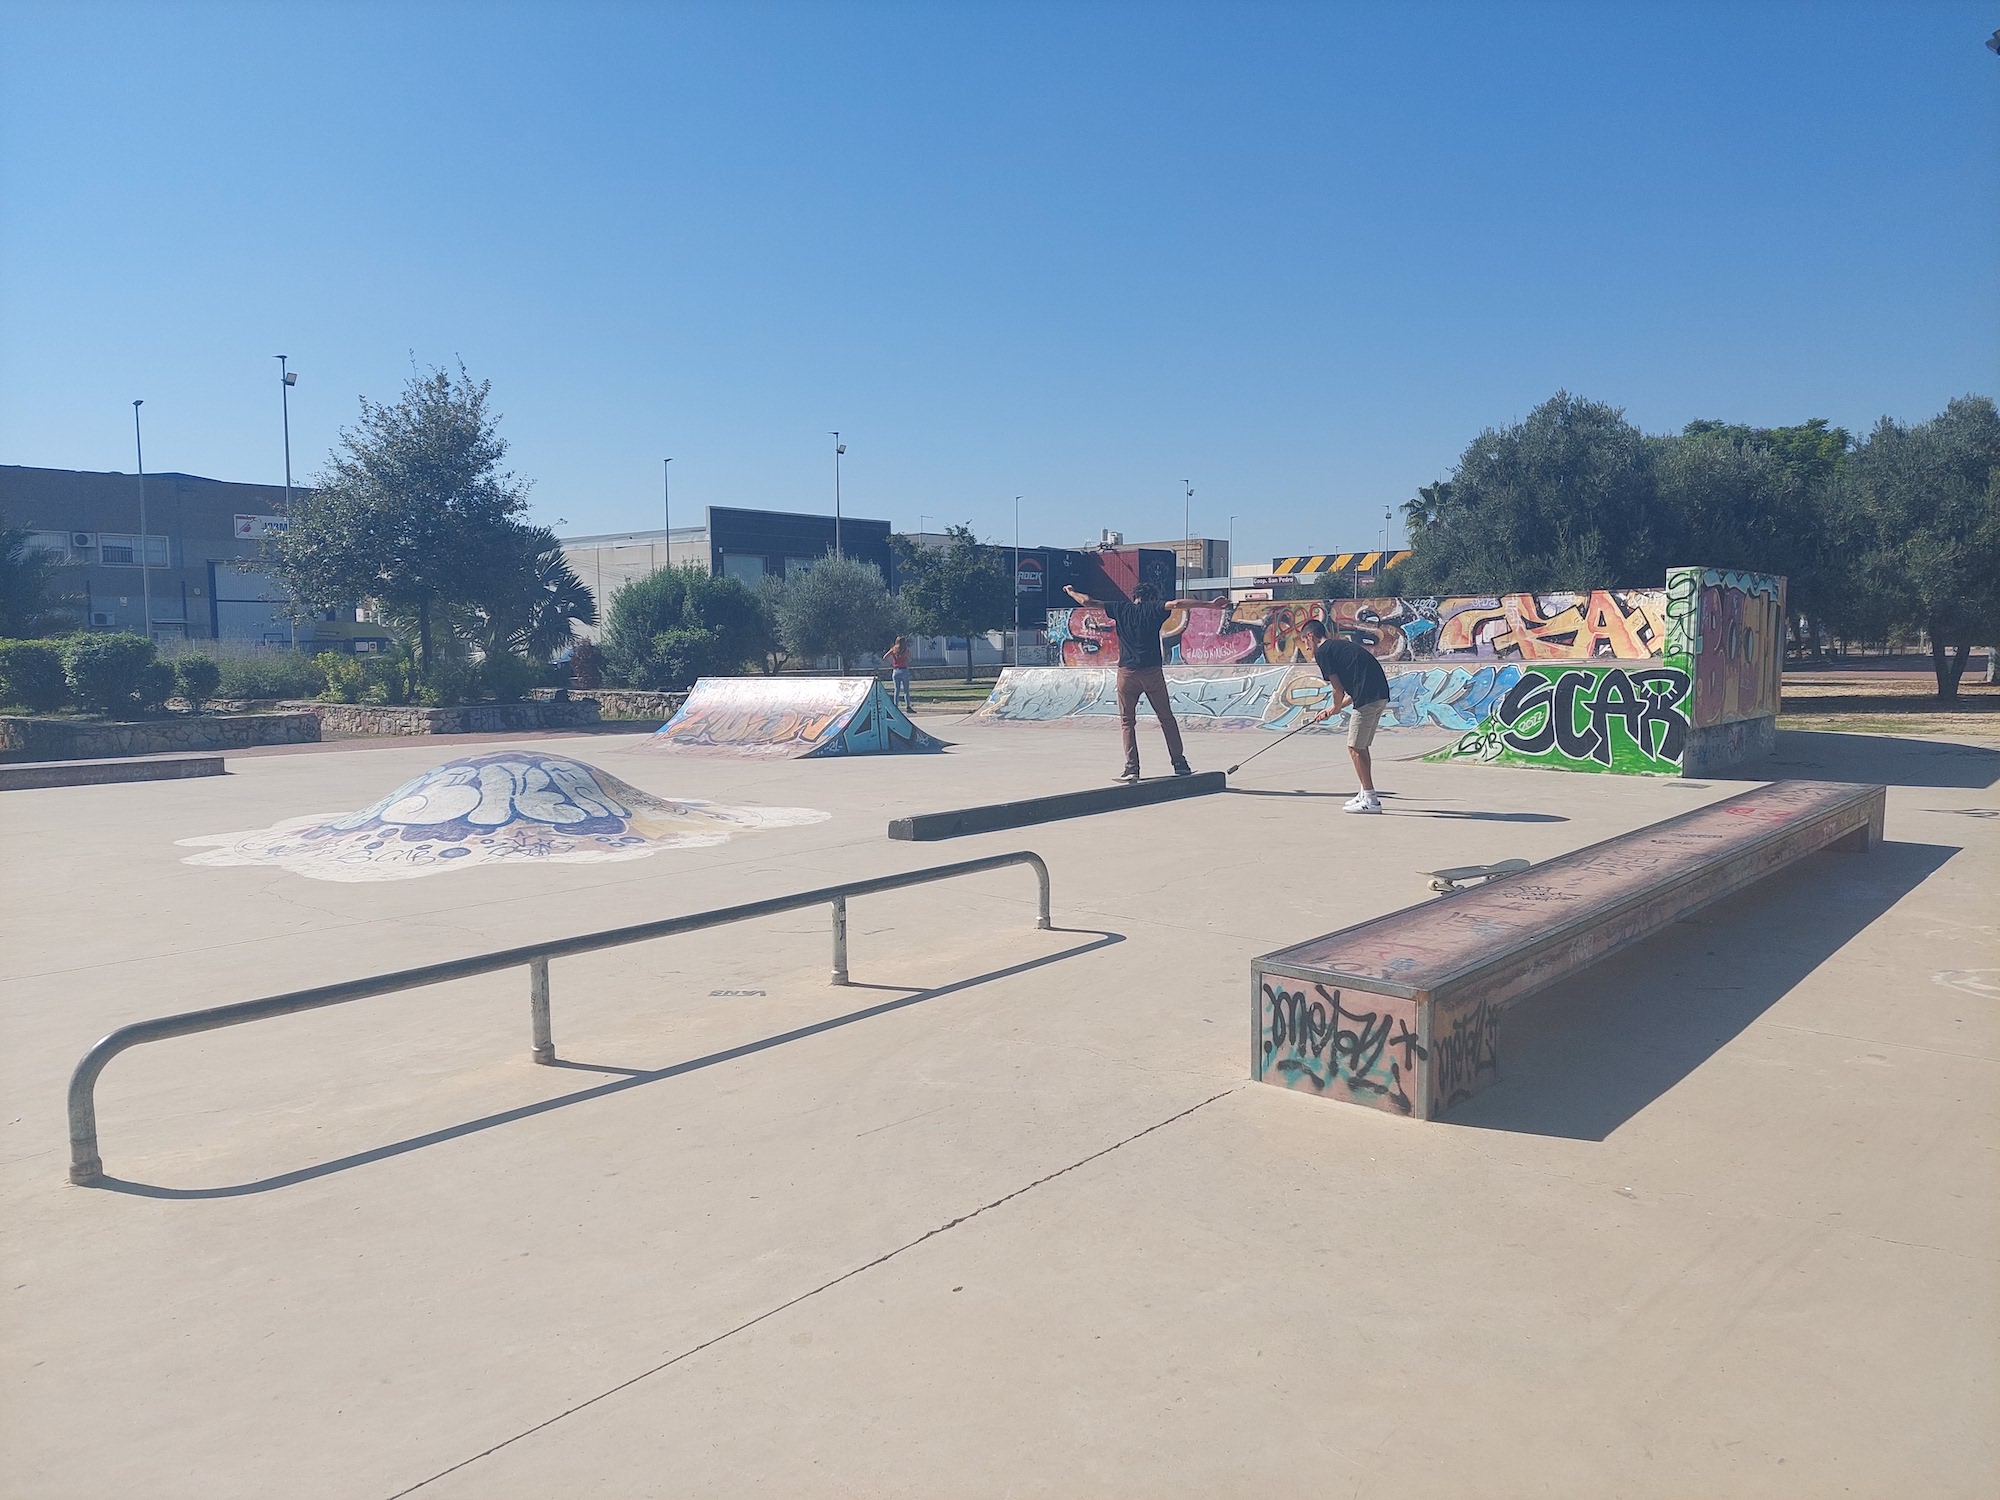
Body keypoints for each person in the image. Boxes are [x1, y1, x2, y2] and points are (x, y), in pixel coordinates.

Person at [1061, 580, 1216, 782]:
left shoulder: (1120, 608)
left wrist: (1071, 591)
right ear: (1151, 597)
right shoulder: (1154, 608)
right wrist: (1211, 604)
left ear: (1135, 596)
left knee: (1127, 722)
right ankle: (1180, 763)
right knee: (1166, 718)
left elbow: (1088, 601)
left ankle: (1132, 767)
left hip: (1127, 673)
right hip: (1152, 672)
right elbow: (1177, 604)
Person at [1299, 617, 1390, 813]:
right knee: (1362, 746)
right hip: (1379, 695)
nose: (1306, 648)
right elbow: (1352, 691)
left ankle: (1371, 800)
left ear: (1310, 636)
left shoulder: (1322, 652)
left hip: (1368, 698)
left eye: (1305, 642)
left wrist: (1336, 706)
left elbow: (1337, 688)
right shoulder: (1337, 647)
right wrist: (1332, 709)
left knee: (1354, 747)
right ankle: (1364, 794)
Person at [883, 636, 912, 710]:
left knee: (897, 689)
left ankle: (896, 706)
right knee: (906, 690)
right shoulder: (905, 650)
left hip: (896, 670)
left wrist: (891, 665)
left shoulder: (893, 649)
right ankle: (908, 706)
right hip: (904, 670)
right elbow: (908, 658)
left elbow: (884, 657)